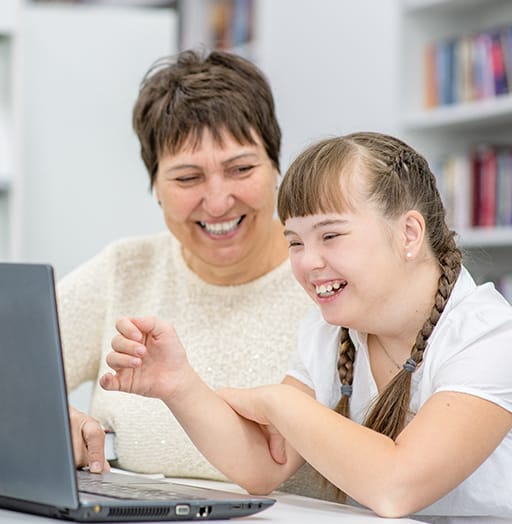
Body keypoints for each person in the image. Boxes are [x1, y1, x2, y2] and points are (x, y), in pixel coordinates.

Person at [100, 132, 512, 523]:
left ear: (408, 233)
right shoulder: (330, 333)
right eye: (295, 242)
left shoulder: (490, 336)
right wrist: (179, 386)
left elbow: (397, 486)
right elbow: (265, 465)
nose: (307, 262)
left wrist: (281, 403)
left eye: (330, 234)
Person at [58, 48, 317, 494]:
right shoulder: (124, 269)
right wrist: (54, 419)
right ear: (155, 187)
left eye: (241, 169)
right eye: (187, 178)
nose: (217, 202)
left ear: (277, 168)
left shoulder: (328, 280)